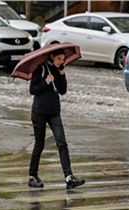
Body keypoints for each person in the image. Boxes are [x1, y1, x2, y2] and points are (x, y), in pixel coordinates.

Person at [28, 48, 85, 190]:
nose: (61, 62)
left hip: (54, 112)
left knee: (62, 142)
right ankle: (32, 176)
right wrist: (46, 81)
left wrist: (61, 74)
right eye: (59, 59)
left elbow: (62, 90)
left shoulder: (57, 70)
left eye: (63, 60)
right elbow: (33, 89)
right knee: (39, 145)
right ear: (51, 56)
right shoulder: (40, 69)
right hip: (39, 112)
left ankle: (69, 177)